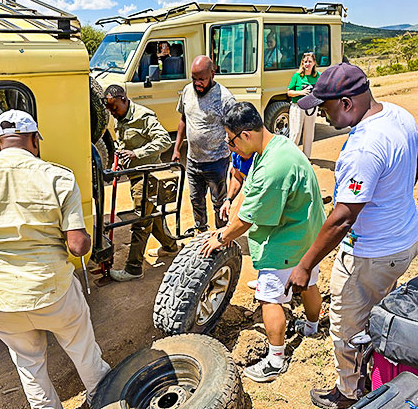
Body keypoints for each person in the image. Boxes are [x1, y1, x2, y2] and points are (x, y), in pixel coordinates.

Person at [0, 110, 110, 409]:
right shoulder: (57, 177)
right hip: (53, 291)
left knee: (29, 365)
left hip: (0, 298)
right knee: (83, 350)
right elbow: (77, 246)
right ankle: (106, 399)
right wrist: (87, 240)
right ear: (34, 140)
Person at [287, 63, 418, 408]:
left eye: (325, 106)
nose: (321, 113)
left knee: (347, 327)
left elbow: (343, 217)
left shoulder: (363, 147)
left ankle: (350, 394)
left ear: (346, 103)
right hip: (405, 239)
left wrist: (305, 265)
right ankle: (376, 376)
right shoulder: (399, 115)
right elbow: (416, 166)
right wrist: (391, 203)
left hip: (371, 253)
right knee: (377, 313)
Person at [200, 102, 326, 382]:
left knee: (269, 298)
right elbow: (249, 186)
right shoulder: (274, 145)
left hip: (287, 239)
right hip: (308, 231)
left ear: (245, 135)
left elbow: (247, 220)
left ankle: (275, 359)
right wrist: (231, 203)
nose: (231, 149)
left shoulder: (273, 167)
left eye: (231, 141)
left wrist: (221, 237)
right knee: (308, 281)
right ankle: (312, 326)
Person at [103, 84, 179, 282]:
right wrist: (117, 164)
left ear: (124, 99)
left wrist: (137, 153)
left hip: (149, 176)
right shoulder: (120, 116)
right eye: (109, 109)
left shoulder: (143, 116)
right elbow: (123, 145)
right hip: (135, 175)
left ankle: (134, 267)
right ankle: (170, 246)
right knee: (150, 216)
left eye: (114, 108)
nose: (112, 112)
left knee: (140, 221)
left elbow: (164, 141)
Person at [172, 55, 236, 233]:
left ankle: (222, 237)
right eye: (194, 79)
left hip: (217, 161)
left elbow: (235, 130)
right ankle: (201, 233)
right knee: (196, 201)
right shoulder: (187, 91)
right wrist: (177, 149)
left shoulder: (225, 98)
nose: (197, 83)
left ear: (212, 74)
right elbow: (183, 119)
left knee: (219, 203)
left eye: (202, 79)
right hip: (193, 161)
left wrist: (237, 157)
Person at [287, 52, 320, 158]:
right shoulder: (297, 76)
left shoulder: (318, 76)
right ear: (302, 63)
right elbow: (289, 92)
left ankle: (306, 157)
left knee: (309, 134)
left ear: (314, 63)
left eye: (310, 61)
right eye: (305, 62)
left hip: (311, 108)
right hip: (298, 107)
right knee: (295, 133)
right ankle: (291, 157)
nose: (307, 64)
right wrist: (301, 93)